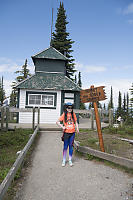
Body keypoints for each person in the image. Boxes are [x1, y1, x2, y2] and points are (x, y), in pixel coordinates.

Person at [56, 102, 79, 167]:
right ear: (66, 108)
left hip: (72, 133)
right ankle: (63, 160)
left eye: (71, 108)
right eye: (68, 107)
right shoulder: (64, 114)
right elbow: (57, 122)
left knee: (71, 146)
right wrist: (62, 127)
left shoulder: (73, 114)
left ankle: (70, 160)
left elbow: (76, 122)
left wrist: (77, 128)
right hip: (66, 133)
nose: (70, 109)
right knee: (65, 146)